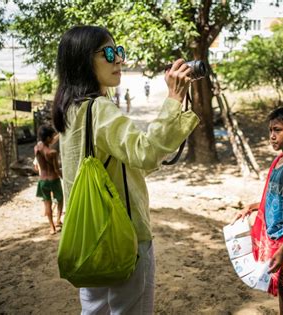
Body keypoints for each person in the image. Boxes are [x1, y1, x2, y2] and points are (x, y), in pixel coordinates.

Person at [52, 26, 199, 314]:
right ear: (84, 60)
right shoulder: (100, 109)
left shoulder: (70, 109)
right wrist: (173, 99)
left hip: (89, 235)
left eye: (119, 51)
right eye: (109, 53)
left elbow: (122, 163)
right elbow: (144, 153)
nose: (119, 60)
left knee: (93, 310)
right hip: (124, 236)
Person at [232, 106, 283, 315]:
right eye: (270, 131)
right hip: (276, 237)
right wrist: (251, 207)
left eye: (278, 130)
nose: (272, 136)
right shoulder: (279, 161)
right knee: (281, 285)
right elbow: (273, 198)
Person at [34, 125, 63, 235]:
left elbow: (42, 146)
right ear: (47, 138)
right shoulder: (52, 153)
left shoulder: (36, 149)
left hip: (42, 181)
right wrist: (62, 176)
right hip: (53, 179)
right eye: (51, 137)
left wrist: (58, 136)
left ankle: (51, 227)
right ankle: (58, 221)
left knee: (47, 204)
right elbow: (56, 169)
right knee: (60, 199)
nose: (53, 139)